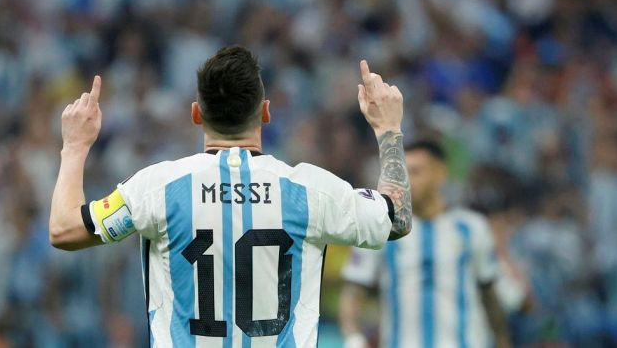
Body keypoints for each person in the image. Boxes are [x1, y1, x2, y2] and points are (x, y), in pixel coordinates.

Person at [49, 45, 412, 346]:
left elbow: (64, 230)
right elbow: (395, 219)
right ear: (265, 112)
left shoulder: (157, 188)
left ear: (196, 114)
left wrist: (75, 146)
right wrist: (388, 129)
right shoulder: (310, 191)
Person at [338, 140, 511, 348]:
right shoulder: (380, 228)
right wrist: (354, 339)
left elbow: (489, 295)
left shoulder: (472, 227)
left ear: (440, 173)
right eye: (403, 174)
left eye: (416, 171)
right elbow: (353, 292)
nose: (407, 181)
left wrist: (502, 341)